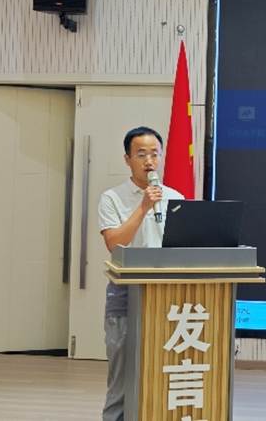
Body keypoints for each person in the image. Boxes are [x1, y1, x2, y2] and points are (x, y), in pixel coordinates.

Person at [98, 126, 184, 421]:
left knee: (162, 374)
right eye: (141, 154)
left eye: (155, 154)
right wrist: (144, 206)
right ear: (127, 159)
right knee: (121, 381)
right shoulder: (112, 198)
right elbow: (115, 243)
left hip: (167, 296)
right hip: (127, 295)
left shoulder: (175, 197)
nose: (149, 161)